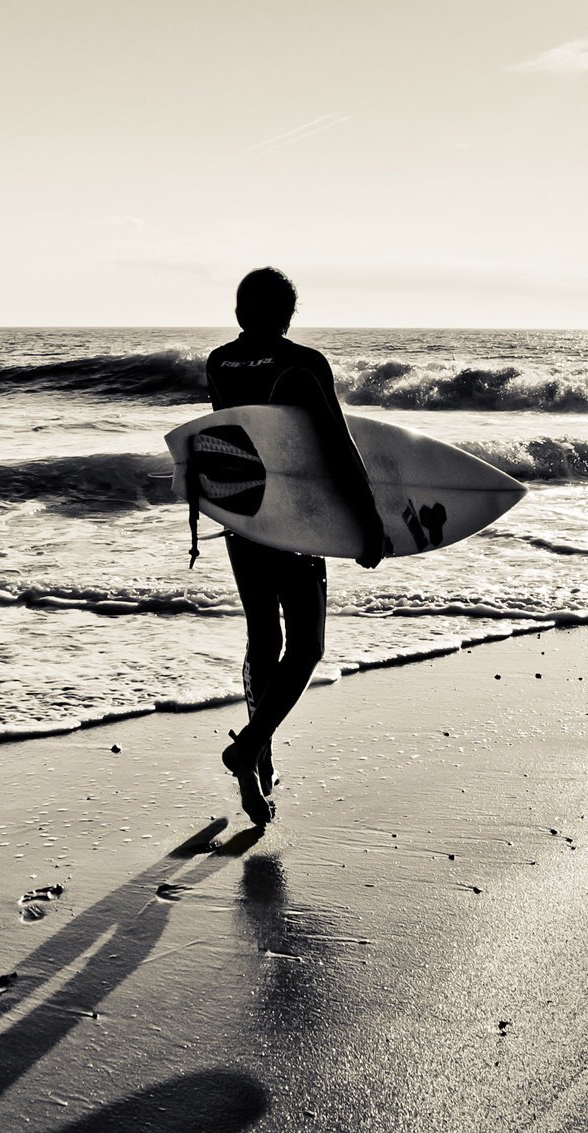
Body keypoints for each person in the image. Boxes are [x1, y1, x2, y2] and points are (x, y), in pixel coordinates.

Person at [205, 267, 385, 826]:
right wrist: (368, 519)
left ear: (239, 314)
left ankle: (260, 761)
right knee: (305, 648)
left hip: (243, 516)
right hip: (296, 521)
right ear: (288, 314)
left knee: (263, 636)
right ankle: (250, 748)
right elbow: (336, 445)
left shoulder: (218, 362)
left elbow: (232, 441)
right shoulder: (302, 364)